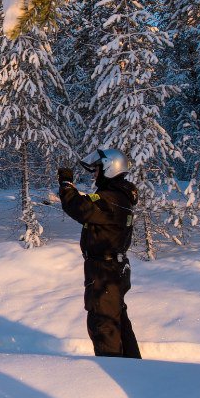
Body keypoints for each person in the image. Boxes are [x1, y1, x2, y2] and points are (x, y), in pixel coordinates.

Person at [58, 148, 142, 359]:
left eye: (96, 170)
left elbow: (81, 208)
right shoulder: (118, 195)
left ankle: (112, 373)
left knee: (104, 324)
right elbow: (89, 204)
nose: (94, 175)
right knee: (117, 321)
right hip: (113, 268)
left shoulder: (111, 198)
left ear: (109, 168)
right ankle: (136, 369)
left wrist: (66, 186)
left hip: (104, 272)